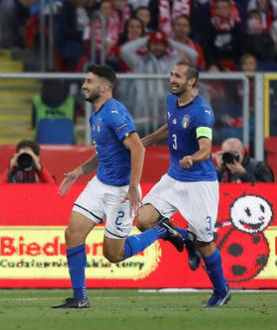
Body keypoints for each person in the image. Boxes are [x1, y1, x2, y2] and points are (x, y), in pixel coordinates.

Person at [51, 64, 183, 309]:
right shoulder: (96, 113)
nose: (83, 86)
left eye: (89, 81)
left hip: (121, 193)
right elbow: (106, 152)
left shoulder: (114, 113)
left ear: (105, 87)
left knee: (113, 255)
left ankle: (162, 231)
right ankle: (80, 298)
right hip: (99, 185)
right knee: (73, 234)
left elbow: (138, 148)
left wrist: (133, 187)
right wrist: (79, 171)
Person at [138, 62, 231, 307]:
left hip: (199, 183)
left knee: (205, 242)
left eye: (178, 76)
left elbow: (206, 149)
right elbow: (172, 126)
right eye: (171, 75)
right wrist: (145, 141)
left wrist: (193, 157)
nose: (172, 79)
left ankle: (221, 291)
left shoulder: (202, 112)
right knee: (143, 220)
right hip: (173, 177)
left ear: (192, 82)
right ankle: (185, 240)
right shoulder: (172, 100)